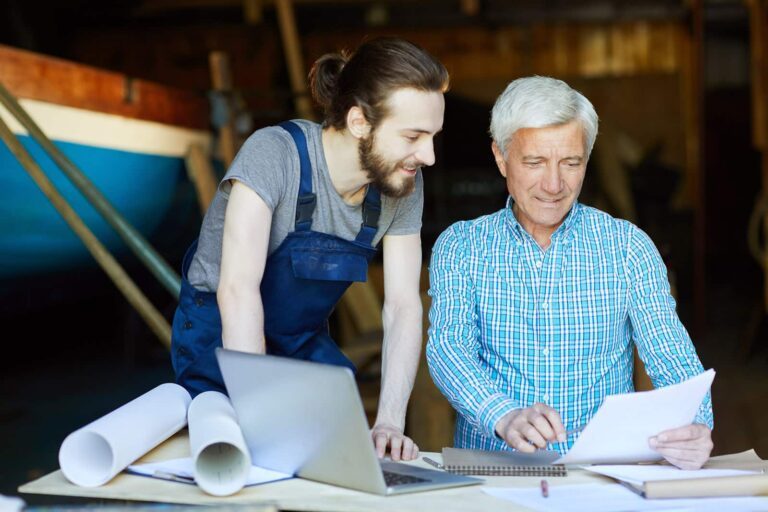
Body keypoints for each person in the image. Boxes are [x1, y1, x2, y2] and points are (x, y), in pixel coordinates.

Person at [171, 37, 449, 462]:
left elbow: (403, 306)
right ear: (359, 122)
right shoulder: (275, 155)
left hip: (299, 339)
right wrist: (261, 412)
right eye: (413, 136)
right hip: (221, 335)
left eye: (432, 137)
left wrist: (390, 420)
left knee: (342, 458)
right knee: (236, 458)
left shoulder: (401, 182)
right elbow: (238, 290)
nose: (428, 155)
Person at [426, 76, 713, 470]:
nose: (554, 184)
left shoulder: (627, 247)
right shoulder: (461, 248)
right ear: (500, 157)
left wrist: (695, 426)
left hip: (603, 471)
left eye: (570, 163)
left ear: (586, 160)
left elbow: (672, 357)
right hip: (493, 469)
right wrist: (503, 415)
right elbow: (449, 349)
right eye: (534, 162)